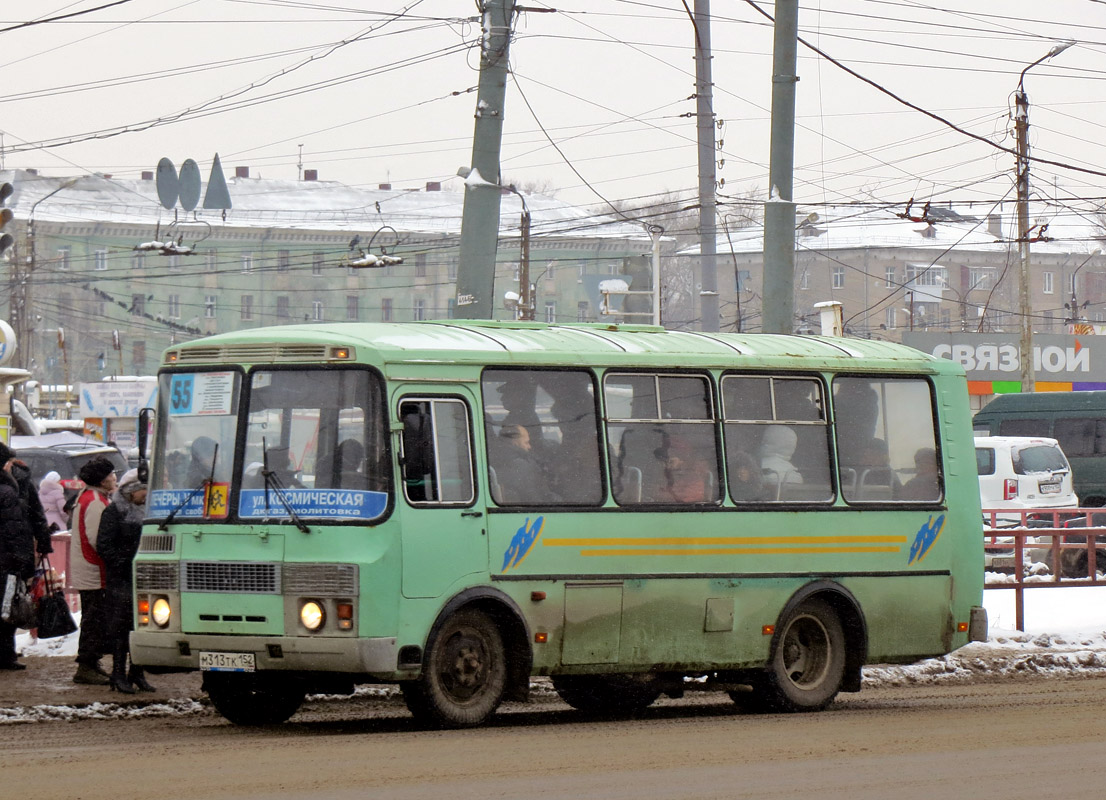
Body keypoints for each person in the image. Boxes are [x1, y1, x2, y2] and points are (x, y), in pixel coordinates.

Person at [97, 470, 154, 694]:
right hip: (121, 579)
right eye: (143, 490)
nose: (146, 494)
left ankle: (137, 673)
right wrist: (124, 563)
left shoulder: (149, 513)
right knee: (121, 628)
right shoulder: (114, 512)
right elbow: (104, 545)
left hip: (144, 578)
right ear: (131, 491)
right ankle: (118, 673)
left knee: (141, 625)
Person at [0, 441, 52, 670]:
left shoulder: (18, 481)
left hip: (8, 557)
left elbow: (33, 515)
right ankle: (5, 654)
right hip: (10, 558)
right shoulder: (9, 489)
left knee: (9, 605)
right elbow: (17, 528)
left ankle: (6, 653)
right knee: (8, 605)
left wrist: (43, 541)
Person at [70, 456, 118, 685]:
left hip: (88, 568)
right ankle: (87, 664)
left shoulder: (87, 497)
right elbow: (98, 539)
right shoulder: (96, 502)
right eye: (111, 474)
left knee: (93, 617)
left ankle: (91, 662)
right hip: (94, 570)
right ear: (101, 479)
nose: (114, 478)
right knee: (94, 619)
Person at [657, 435, 716, 503]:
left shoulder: (695, 477)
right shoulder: (667, 474)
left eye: (669, 457)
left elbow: (685, 501)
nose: (665, 462)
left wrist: (680, 466)